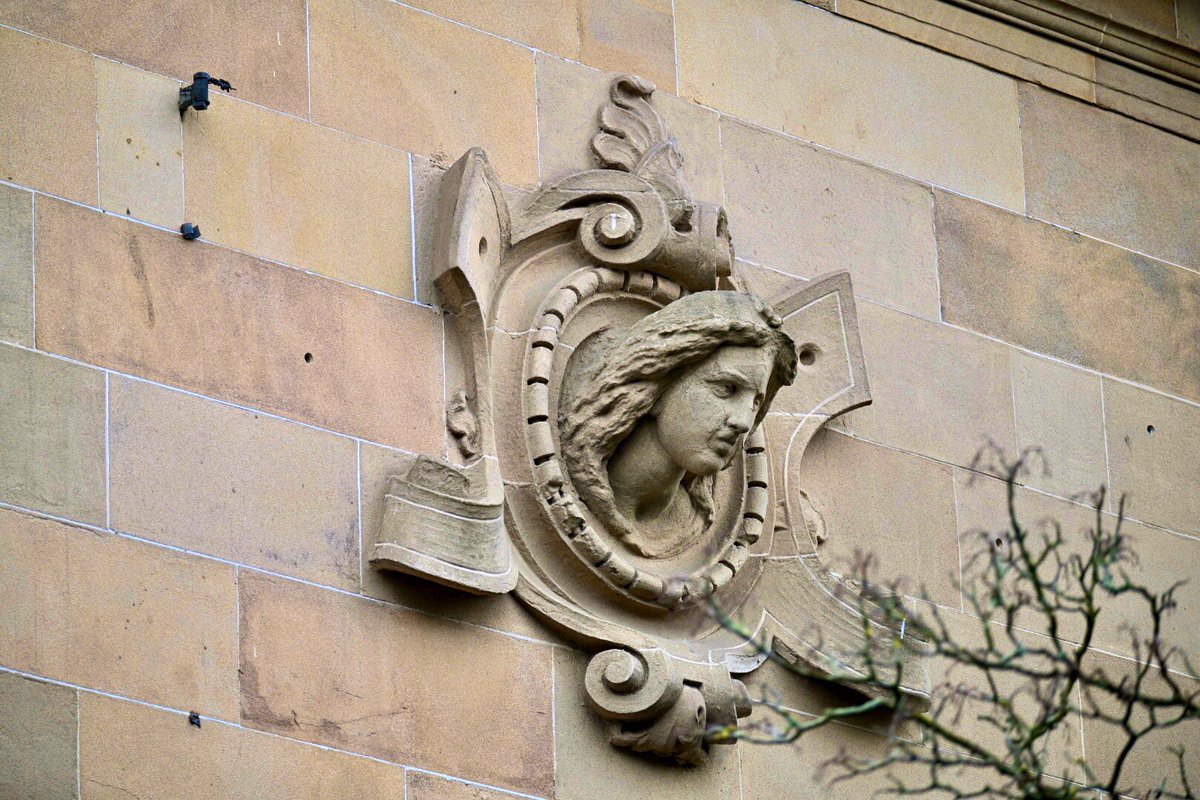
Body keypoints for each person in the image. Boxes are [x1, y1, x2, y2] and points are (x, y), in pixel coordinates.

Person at [561, 291, 797, 559]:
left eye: (755, 403)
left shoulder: (691, 523)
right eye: (726, 388)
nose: (743, 422)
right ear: (659, 379)